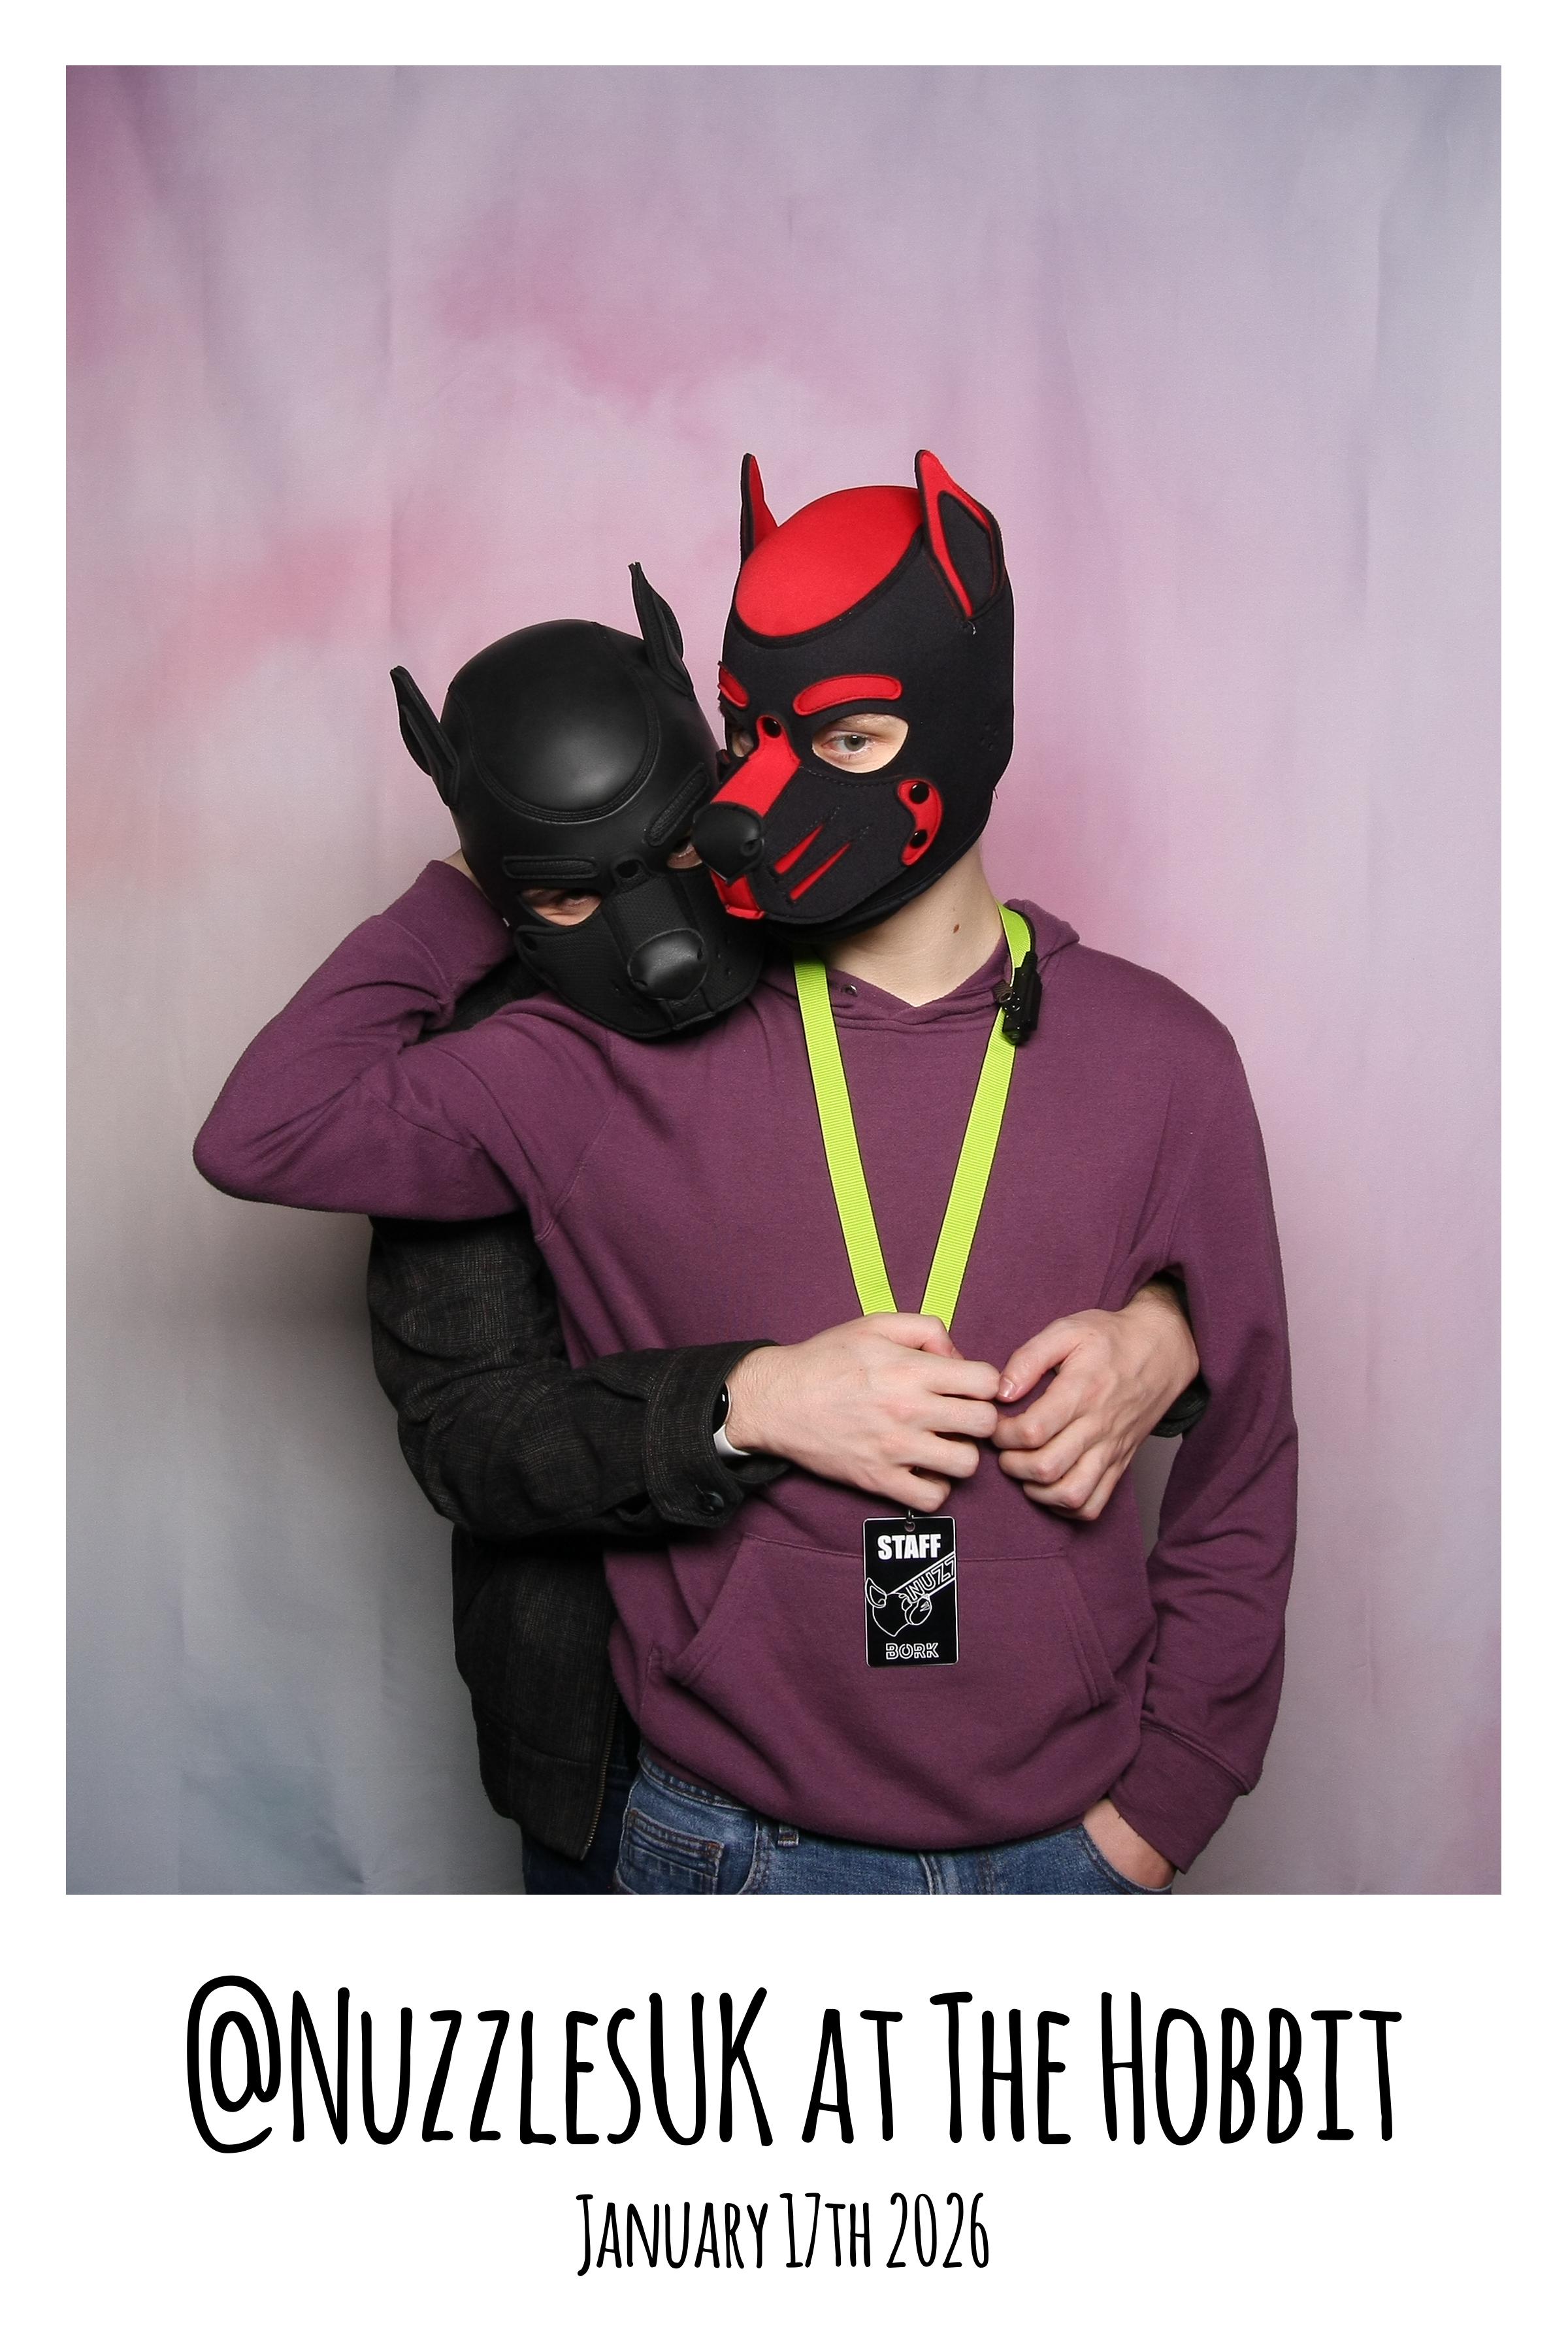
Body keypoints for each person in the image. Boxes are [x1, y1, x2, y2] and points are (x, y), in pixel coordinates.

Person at [196, 452, 1294, 1893]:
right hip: (723, 1846)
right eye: (750, 732)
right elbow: (268, 1131)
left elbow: (1247, 1455)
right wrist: (492, 867)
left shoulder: (1166, 1059)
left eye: (844, 737)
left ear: (966, 718)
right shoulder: (602, 1054)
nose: (769, 789)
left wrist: (1160, 1812)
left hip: (1063, 1852)